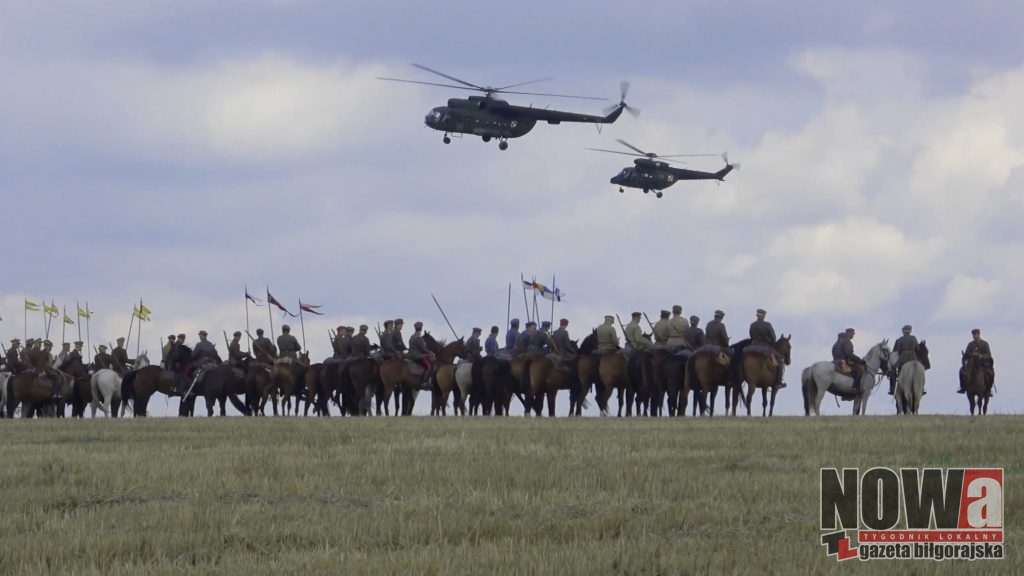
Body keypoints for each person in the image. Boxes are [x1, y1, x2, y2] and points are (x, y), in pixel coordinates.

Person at [749, 309, 785, 389]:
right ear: (764, 316)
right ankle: (778, 382)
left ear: (757, 315)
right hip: (765, 347)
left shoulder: (752, 325)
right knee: (779, 361)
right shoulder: (767, 325)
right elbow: (774, 338)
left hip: (752, 347)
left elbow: (751, 336)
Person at [959, 328, 994, 394]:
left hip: (982, 364)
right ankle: (963, 387)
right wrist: (970, 355)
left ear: (979, 334)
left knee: (990, 373)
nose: (974, 336)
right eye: (973, 335)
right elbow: (966, 354)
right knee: (961, 371)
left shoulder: (985, 344)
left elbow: (988, 354)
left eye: (975, 335)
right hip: (972, 364)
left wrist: (981, 356)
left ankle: (989, 389)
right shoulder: (970, 344)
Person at [832, 328, 863, 394]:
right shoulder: (847, 341)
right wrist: (859, 360)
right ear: (848, 333)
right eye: (852, 333)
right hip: (843, 362)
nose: (853, 335)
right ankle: (855, 388)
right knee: (860, 369)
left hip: (835, 362)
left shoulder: (837, 342)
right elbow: (849, 354)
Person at [890, 325, 918, 395]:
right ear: (910, 331)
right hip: (913, 358)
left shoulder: (900, 340)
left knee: (892, 370)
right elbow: (917, 349)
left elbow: (897, 351)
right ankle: (922, 388)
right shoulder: (914, 338)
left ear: (903, 331)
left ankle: (892, 388)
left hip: (903, 359)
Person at [407, 321, 434, 389]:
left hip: (410, 355)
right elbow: (423, 349)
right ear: (421, 328)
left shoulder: (411, 337)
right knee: (429, 366)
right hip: (418, 356)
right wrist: (429, 352)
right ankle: (424, 382)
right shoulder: (418, 338)